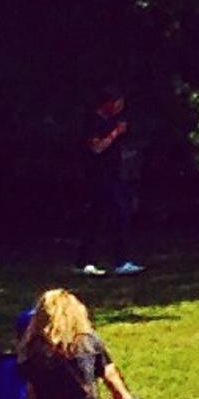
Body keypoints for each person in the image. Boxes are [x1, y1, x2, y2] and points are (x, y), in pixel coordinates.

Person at [85, 87, 139, 274]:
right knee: (106, 216)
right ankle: (99, 260)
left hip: (115, 175)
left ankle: (114, 260)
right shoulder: (94, 121)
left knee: (113, 215)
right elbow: (97, 148)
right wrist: (115, 133)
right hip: (99, 177)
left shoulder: (113, 120)